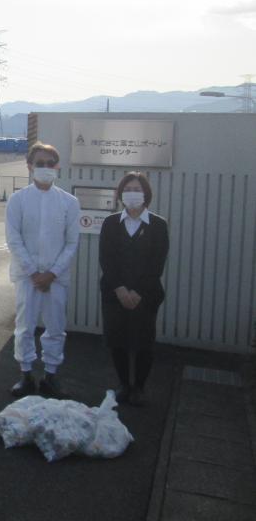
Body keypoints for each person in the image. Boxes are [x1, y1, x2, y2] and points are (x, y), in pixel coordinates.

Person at [5, 142, 80, 398]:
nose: (45, 168)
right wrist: (34, 272)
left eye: (50, 163)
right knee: (25, 326)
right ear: (29, 166)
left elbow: (71, 243)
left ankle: (50, 375)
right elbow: (13, 239)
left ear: (57, 167)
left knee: (56, 326)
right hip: (27, 277)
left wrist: (52, 273)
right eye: (40, 164)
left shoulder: (70, 203)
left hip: (56, 278)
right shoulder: (17, 200)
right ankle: (25, 374)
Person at [99, 172, 169, 406]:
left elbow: (157, 263)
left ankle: (138, 386)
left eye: (137, 189)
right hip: (114, 293)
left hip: (146, 294)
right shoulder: (110, 223)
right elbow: (106, 259)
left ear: (146, 194)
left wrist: (138, 291)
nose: (132, 193)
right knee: (117, 340)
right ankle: (123, 384)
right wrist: (119, 289)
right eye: (127, 188)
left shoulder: (158, 225)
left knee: (143, 342)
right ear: (120, 194)